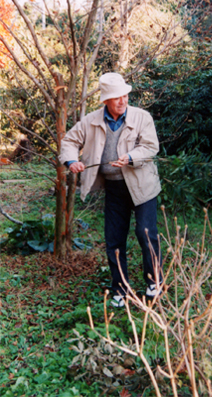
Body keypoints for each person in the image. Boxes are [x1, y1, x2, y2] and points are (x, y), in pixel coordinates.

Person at [59, 72, 162, 308]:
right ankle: (120, 288)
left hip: (142, 184)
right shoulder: (91, 121)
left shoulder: (141, 117)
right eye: (117, 97)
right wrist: (71, 161)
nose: (123, 101)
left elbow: (150, 146)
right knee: (114, 239)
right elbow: (69, 142)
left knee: (146, 233)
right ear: (106, 100)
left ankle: (154, 282)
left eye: (125, 95)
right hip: (115, 188)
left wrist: (130, 157)